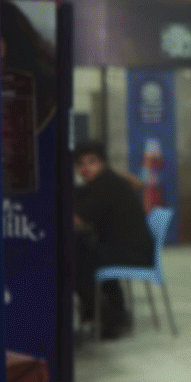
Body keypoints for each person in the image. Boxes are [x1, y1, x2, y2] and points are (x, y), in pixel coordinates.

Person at [73, 139, 155, 337]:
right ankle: (111, 315)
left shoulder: (106, 185)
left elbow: (78, 219)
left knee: (76, 261)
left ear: (102, 163)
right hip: (128, 248)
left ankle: (108, 319)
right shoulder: (102, 182)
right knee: (83, 252)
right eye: (81, 163)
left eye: (92, 162)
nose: (86, 168)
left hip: (133, 252)